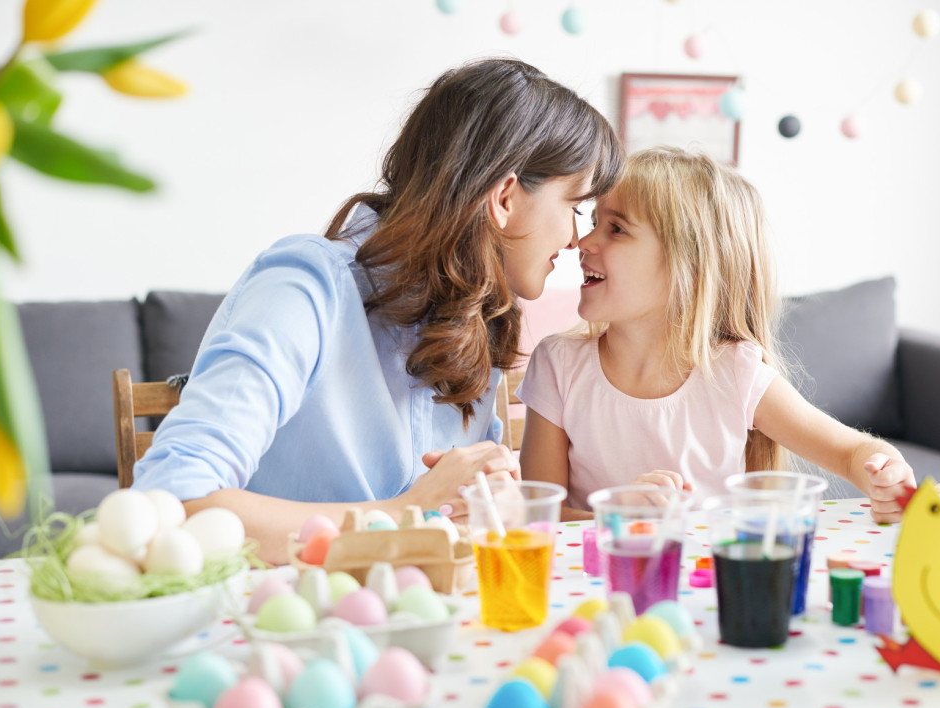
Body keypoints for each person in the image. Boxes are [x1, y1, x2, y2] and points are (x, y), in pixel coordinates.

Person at [132, 58, 625, 563]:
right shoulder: (306, 287)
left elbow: (453, 521)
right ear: (505, 198)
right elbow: (173, 503)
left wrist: (491, 506)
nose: (575, 238)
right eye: (574, 207)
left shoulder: (477, 314)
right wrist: (401, 514)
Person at [517, 147, 914, 523]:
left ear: (688, 267)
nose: (584, 242)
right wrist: (619, 516)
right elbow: (537, 515)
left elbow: (851, 453)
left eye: (616, 229)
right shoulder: (559, 365)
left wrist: (885, 471)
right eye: (594, 223)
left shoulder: (735, 372)